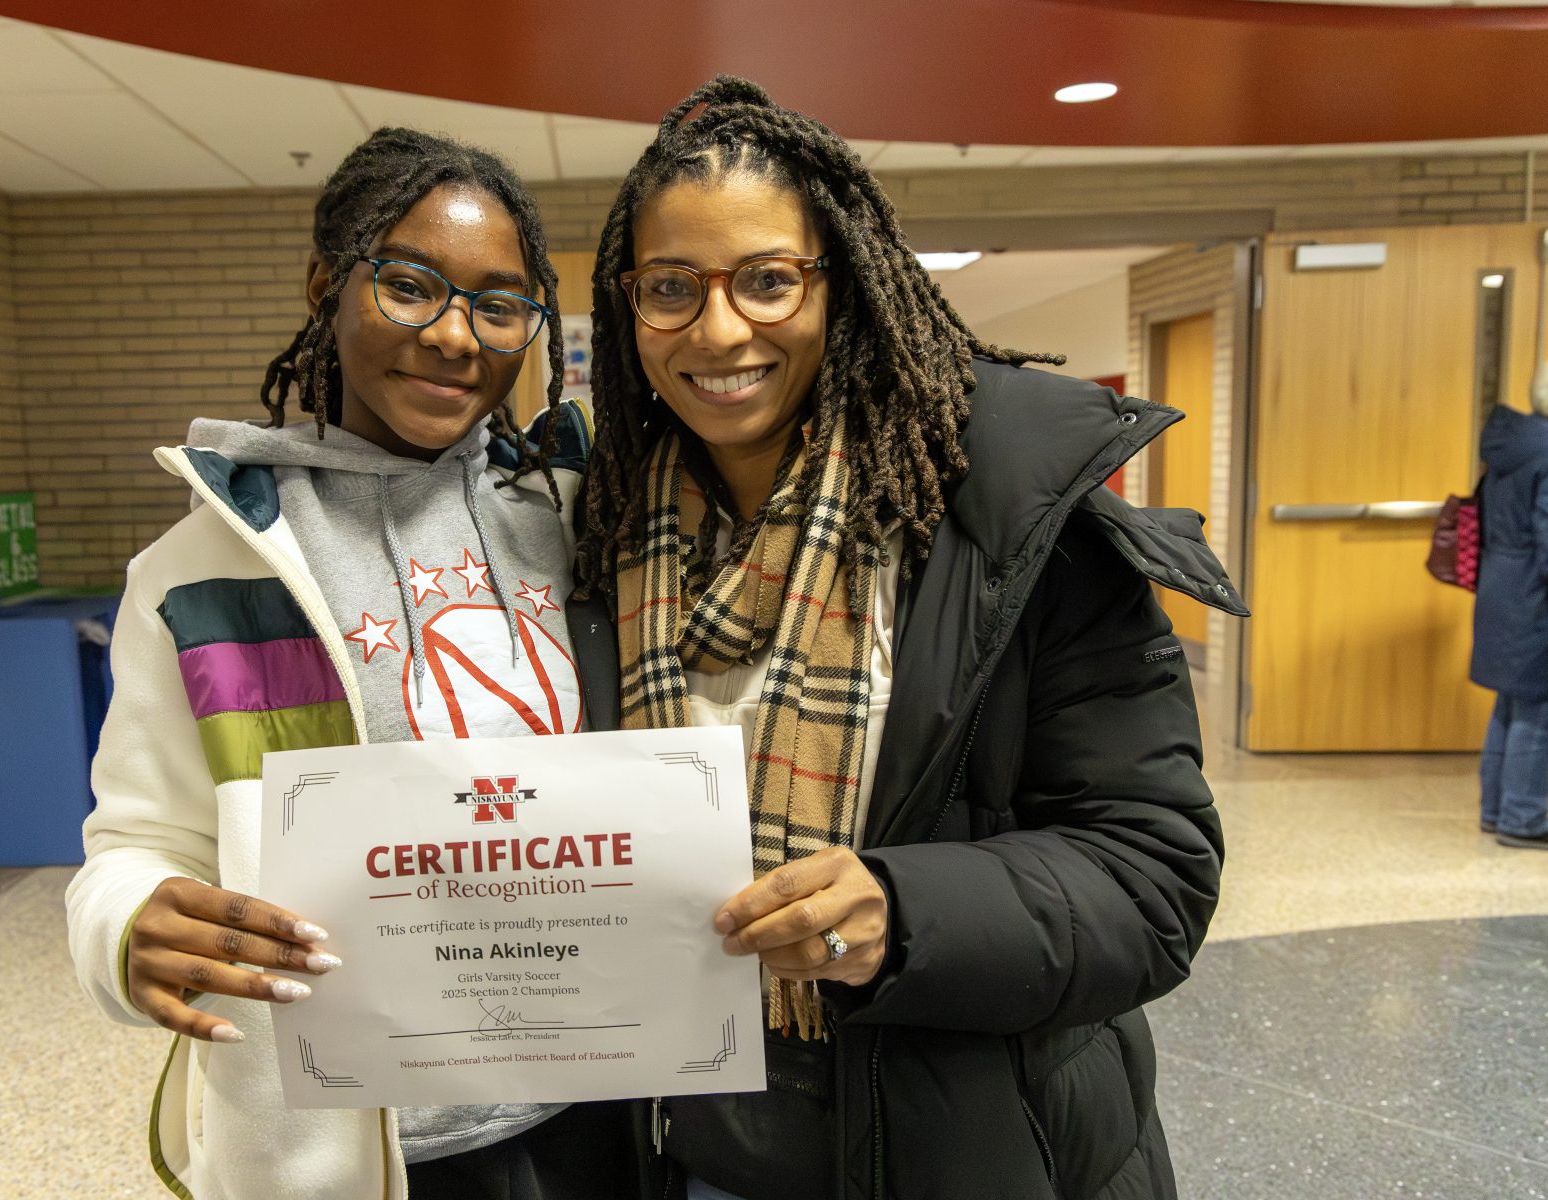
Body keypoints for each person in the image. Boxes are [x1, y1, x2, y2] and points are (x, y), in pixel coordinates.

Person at [572, 78, 1243, 1200]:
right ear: (626, 305)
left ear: (842, 282)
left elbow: (1153, 878)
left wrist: (905, 912)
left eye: (768, 281)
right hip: (685, 1152)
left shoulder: (1011, 521)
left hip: (960, 1154)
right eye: (671, 287)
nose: (719, 328)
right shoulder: (598, 535)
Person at [64, 128, 634, 1200]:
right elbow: (136, 840)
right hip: (351, 1134)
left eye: (498, 304)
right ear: (329, 282)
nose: (455, 337)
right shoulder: (200, 574)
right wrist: (127, 925)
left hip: (590, 1105)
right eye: (410, 287)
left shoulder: (575, 525)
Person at [1471, 351, 1548, 852]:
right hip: (1543, 596)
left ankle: (1496, 810)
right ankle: (1523, 819)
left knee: (1511, 704)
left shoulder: (1516, 444)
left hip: (1505, 586)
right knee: (1540, 709)